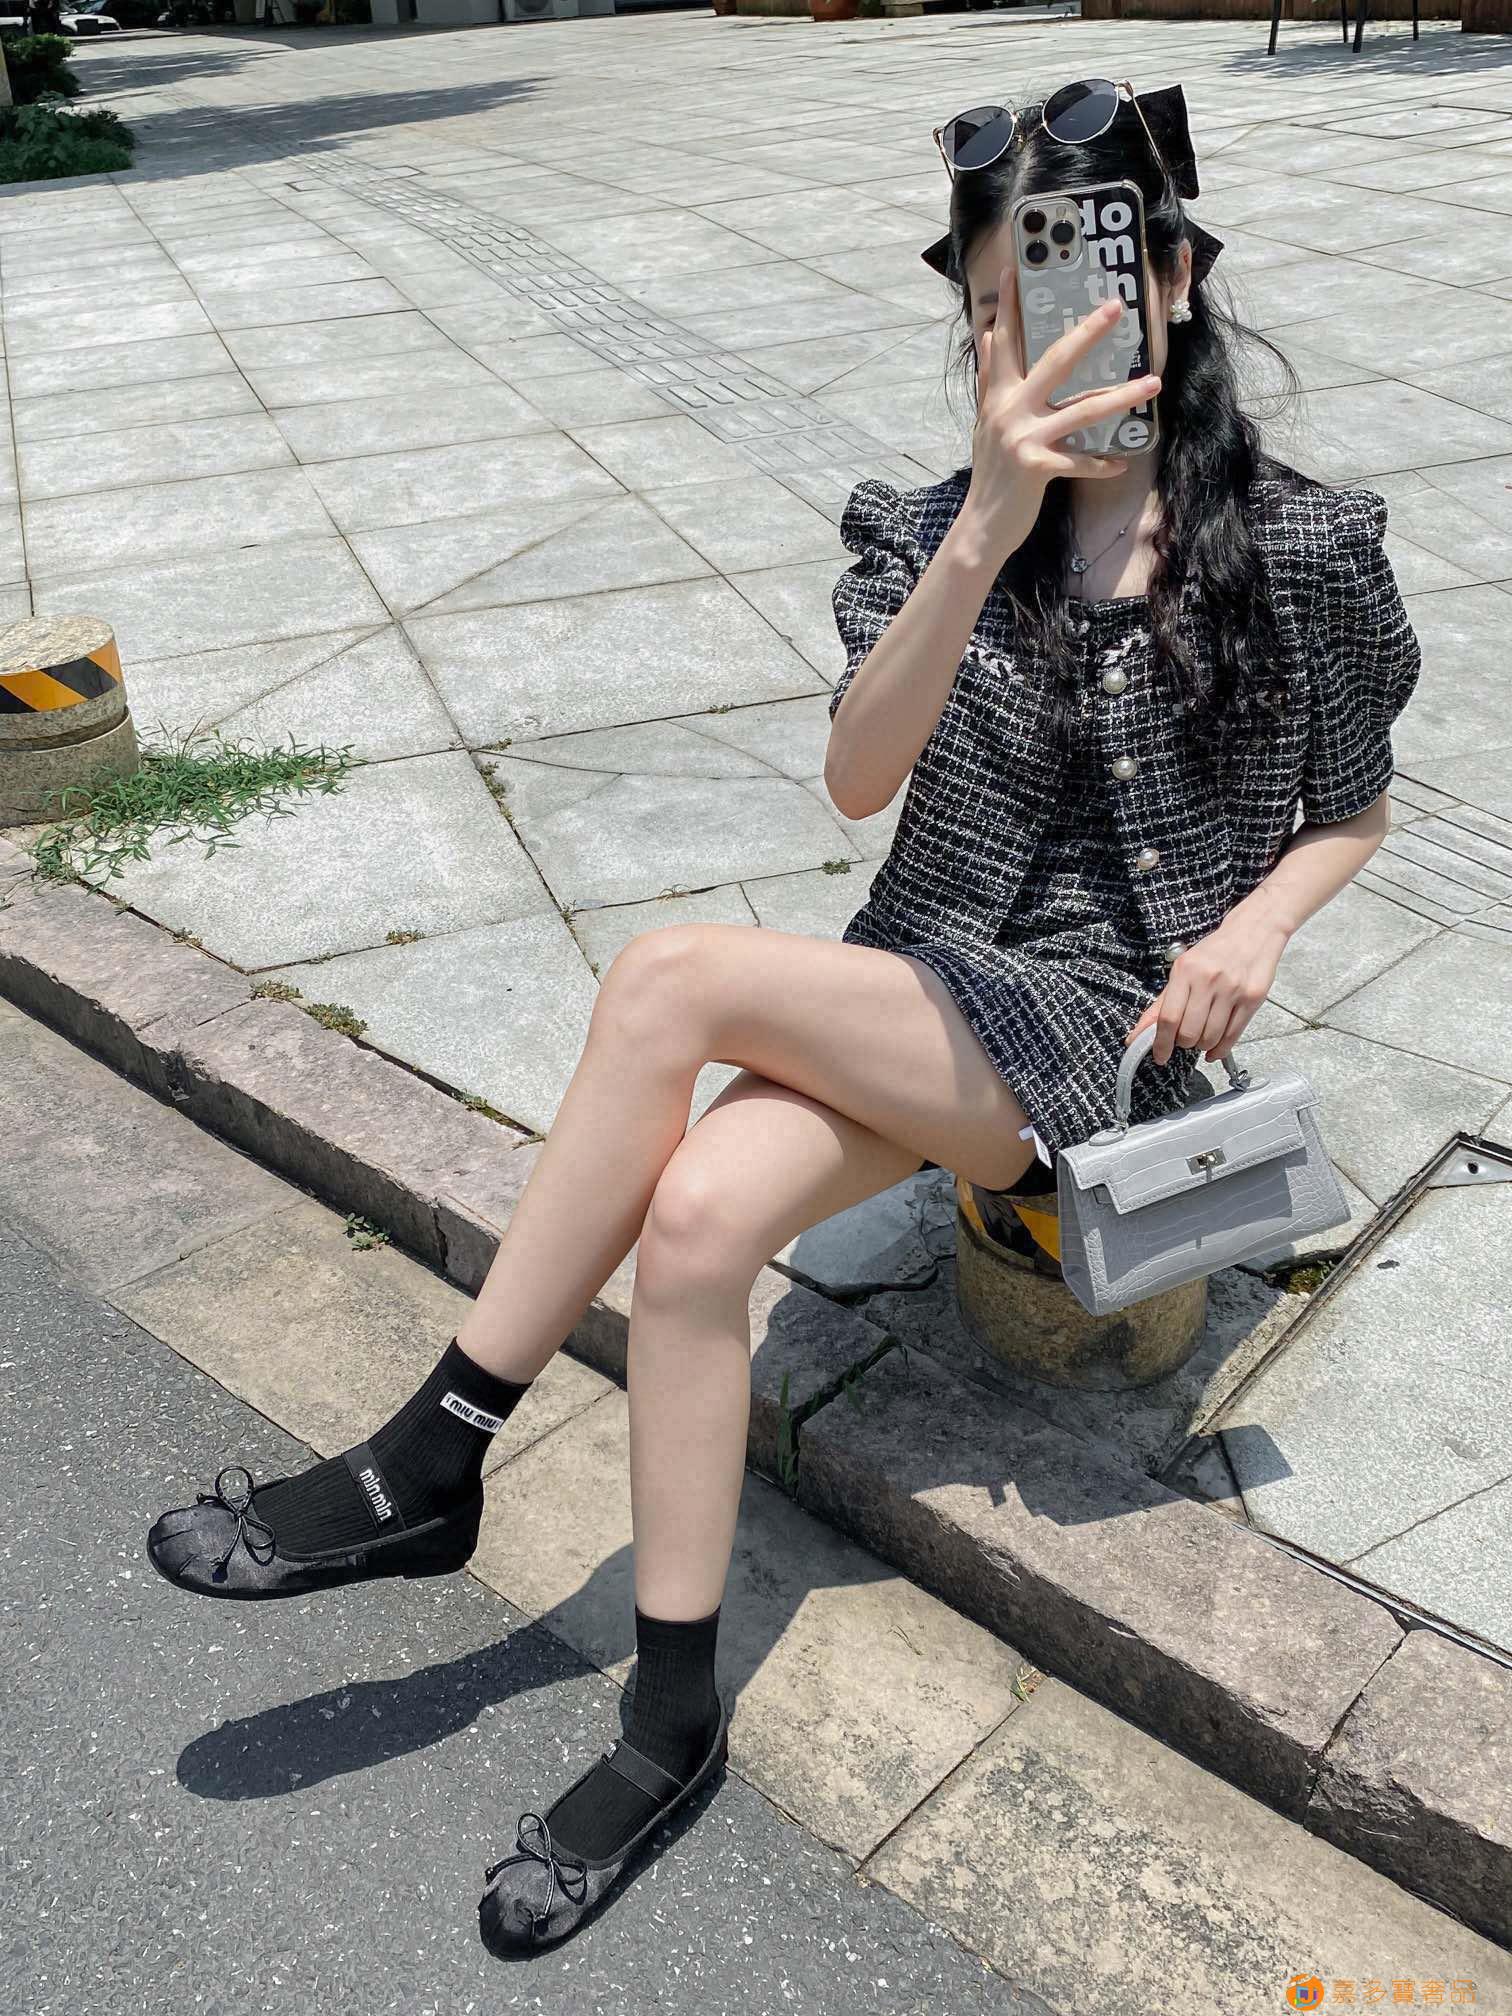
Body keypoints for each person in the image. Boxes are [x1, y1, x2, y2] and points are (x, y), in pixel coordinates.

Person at [144, 77, 1421, 1951]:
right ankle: (671, 1719)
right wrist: (991, 526)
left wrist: (1259, 927)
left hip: (1112, 1036)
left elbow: (1358, 807)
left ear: (1170, 279)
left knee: (670, 976)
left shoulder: (1298, 546)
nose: (1031, 344)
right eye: (993, 313)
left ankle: (435, 1450)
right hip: (923, 986)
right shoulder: (927, 528)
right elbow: (857, 779)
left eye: (1075, 289)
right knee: (694, 1223)